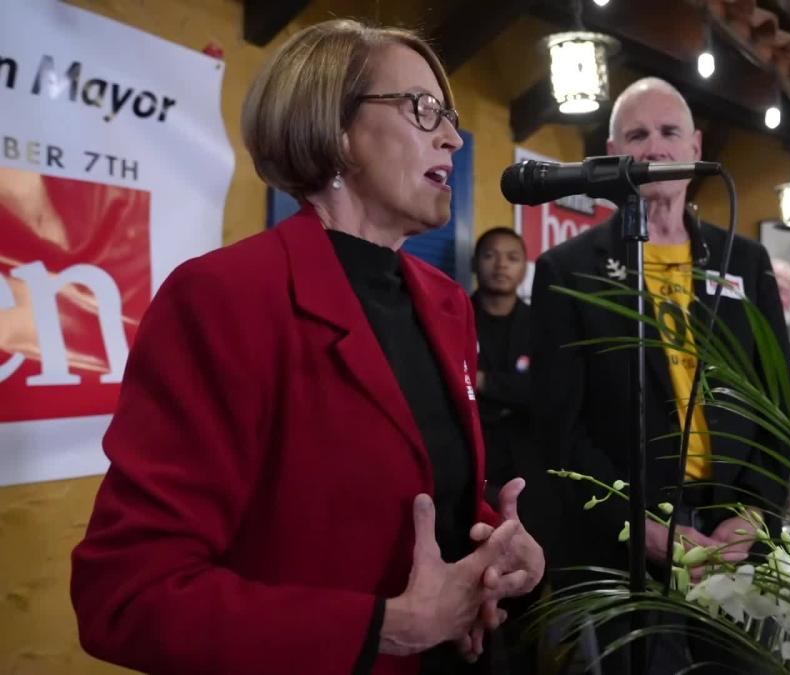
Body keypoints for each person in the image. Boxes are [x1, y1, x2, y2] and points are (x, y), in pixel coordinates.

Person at [70, 19, 543, 675]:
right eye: (422, 109)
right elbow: (125, 595)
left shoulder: (446, 303)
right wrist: (387, 625)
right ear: (337, 129)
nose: (452, 137)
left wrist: (496, 547)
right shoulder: (222, 298)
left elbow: (422, 492)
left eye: (451, 115)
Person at [530, 77, 790, 674]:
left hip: (736, 538)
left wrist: (752, 517)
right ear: (614, 151)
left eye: (670, 132)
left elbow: (779, 411)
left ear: (695, 145)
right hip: (621, 548)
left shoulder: (745, 262)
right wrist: (643, 529)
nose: (655, 149)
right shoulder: (569, 270)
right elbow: (558, 431)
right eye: (638, 135)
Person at [469, 227, 545, 674]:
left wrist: (484, 384)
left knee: (525, 595)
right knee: (475, 585)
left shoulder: (539, 323)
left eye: (512, 257)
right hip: (473, 466)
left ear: (524, 267)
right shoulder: (453, 310)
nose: (500, 265)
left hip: (526, 472)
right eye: (491, 255)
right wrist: (508, 391)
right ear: (476, 262)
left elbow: (543, 392)